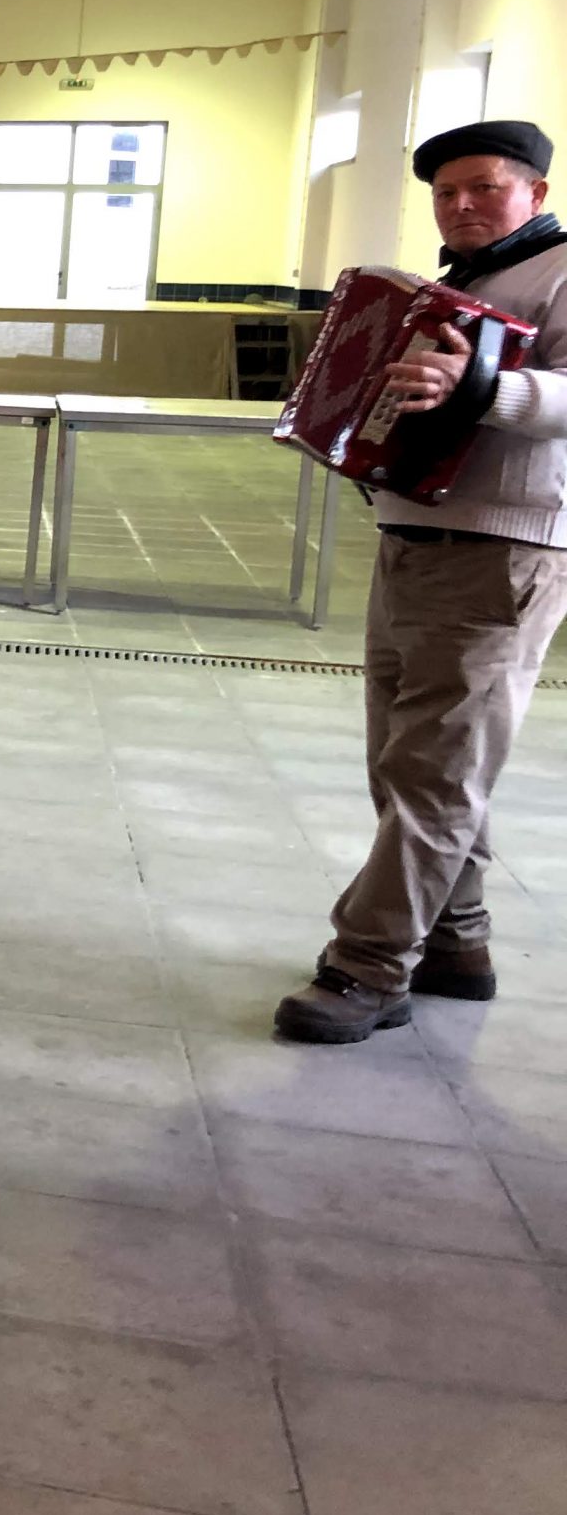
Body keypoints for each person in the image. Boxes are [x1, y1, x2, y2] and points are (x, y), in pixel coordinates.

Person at [277, 119, 567, 1044]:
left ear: (535, 193)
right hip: (414, 535)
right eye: (446, 193)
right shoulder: (455, 286)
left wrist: (484, 388)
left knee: (437, 771)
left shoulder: (559, 272)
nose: (461, 205)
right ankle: (455, 941)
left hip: (501, 550)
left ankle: (368, 968)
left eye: (485, 187)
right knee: (412, 759)